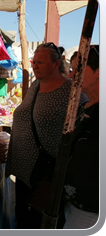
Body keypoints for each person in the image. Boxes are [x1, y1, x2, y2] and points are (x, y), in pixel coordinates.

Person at [5, 42, 88, 229]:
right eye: (34, 62)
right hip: (23, 168)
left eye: (40, 63)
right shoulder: (35, 85)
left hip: (44, 170)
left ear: (56, 64)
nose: (35, 66)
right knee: (21, 216)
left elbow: (84, 122)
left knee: (38, 220)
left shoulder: (71, 91)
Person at [62, 45, 99, 229]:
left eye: (78, 70)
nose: (71, 76)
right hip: (72, 201)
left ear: (99, 72)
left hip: (91, 210)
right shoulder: (84, 106)